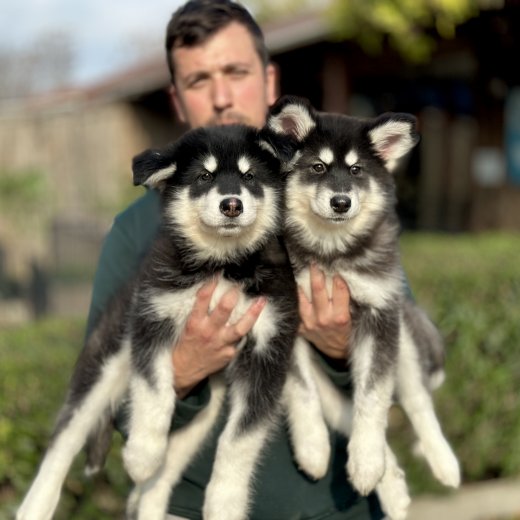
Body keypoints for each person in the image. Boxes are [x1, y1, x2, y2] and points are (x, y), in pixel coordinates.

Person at [86, 1, 384, 518]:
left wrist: (341, 350)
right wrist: (181, 371)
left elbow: (404, 355)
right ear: (177, 99)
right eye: (199, 80)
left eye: (236, 72)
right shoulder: (136, 231)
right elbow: (104, 399)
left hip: (337, 502)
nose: (222, 97)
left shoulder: (333, 201)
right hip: (194, 505)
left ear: (270, 81)